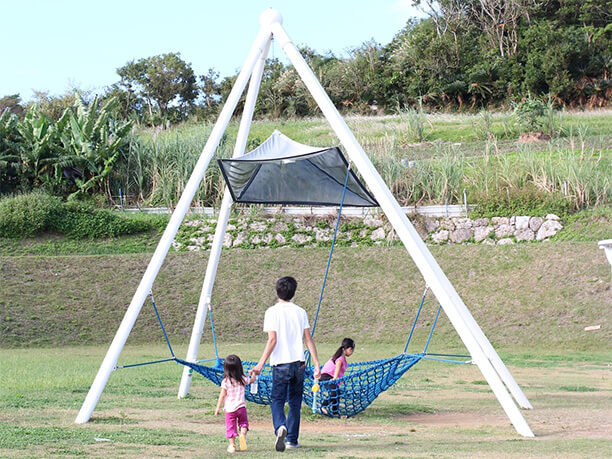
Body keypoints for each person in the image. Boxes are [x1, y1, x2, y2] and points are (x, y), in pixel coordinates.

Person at [250, 276, 321, 452]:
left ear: (277, 291)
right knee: (295, 402)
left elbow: (272, 340)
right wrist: (318, 364)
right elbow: (308, 340)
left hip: (280, 364)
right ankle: (291, 440)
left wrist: (260, 364)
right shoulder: (300, 312)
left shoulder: (271, 312)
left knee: (277, 400)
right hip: (299, 364)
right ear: (294, 292)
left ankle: (280, 426)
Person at [214, 354, 254, 454]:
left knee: (230, 427)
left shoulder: (225, 382)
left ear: (226, 369)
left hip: (230, 409)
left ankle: (232, 445)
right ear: (239, 367)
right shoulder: (242, 379)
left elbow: (222, 395)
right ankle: (243, 436)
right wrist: (253, 373)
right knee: (243, 423)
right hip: (241, 407)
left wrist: (218, 408)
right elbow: (252, 380)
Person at [319, 337, 355, 416]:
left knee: (337, 393)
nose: (352, 352)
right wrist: (335, 378)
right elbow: (337, 368)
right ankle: (323, 406)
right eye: (351, 350)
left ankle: (335, 413)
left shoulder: (342, 358)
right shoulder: (340, 358)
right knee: (334, 392)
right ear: (345, 349)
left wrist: (339, 380)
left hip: (329, 376)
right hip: (326, 376)